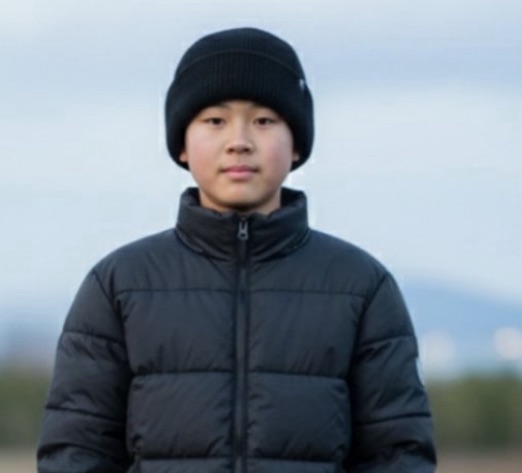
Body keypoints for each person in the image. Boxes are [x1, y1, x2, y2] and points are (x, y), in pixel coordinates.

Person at [37, 27, 436, 473]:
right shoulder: (119, 285)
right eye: (215, 121)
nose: (240, 140)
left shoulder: (361, 286)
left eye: (264, 121)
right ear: (182, 144)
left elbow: (399, 454)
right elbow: (75, 452)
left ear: (297, 143)